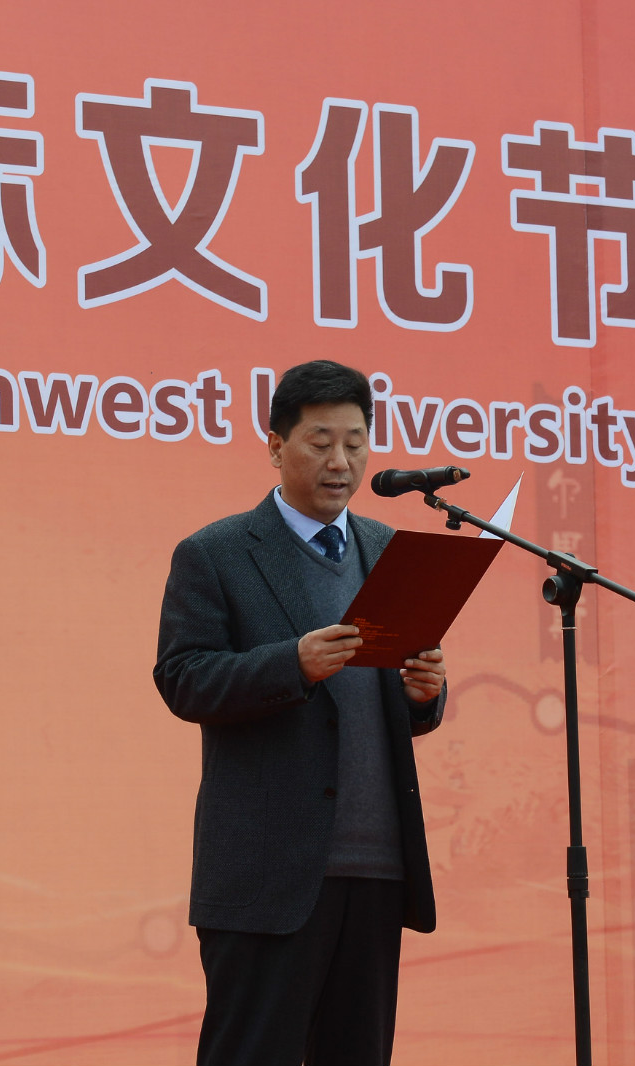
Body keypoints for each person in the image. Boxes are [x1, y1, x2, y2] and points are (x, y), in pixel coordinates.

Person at [153, 359, 447, 1066]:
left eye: (355, 442)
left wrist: (424, 694)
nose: (340, 461)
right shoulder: (216, 553)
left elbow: (391, 706)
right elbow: (183, 680)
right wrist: (292, 664)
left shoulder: (387, 550)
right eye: (320, 442)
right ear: (275, 446)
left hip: (376, 869)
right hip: (268, 874)